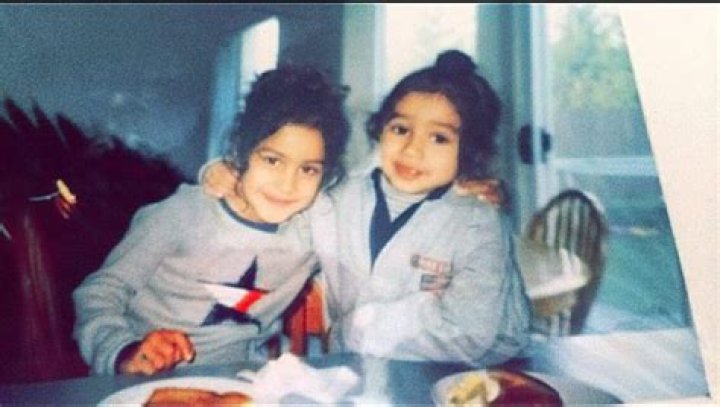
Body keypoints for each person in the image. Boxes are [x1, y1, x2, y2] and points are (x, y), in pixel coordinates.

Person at [201, 50, 531, 365]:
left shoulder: (477, 218)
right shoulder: (338, 198)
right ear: (381, 129)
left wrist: (358, 329)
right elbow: (276, 205)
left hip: (471, 371)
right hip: (360, 364)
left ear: (470, 148)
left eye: (439, 138)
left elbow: (471, 331)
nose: (412, 150)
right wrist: (226, 172)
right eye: (400, 129)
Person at [72, 65, 349, 376]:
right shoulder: (182, 214)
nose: (288, 185)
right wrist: (123, 351)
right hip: (142, 380)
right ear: (241, 151)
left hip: (242, 382)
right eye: (272, 160)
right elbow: (98, 293)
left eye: (308, 169)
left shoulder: (313, 228)